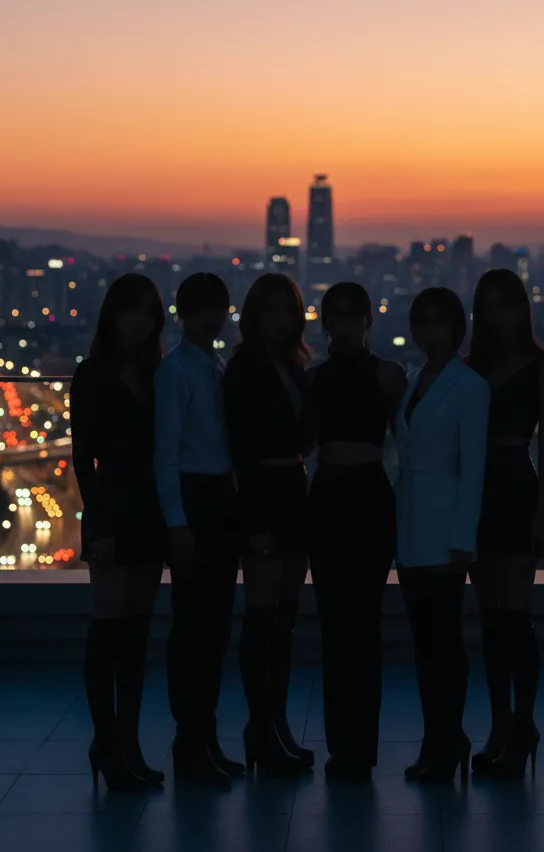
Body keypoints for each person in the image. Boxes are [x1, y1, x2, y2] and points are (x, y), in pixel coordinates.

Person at [70, 272, 167, 791]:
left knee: (135, 636)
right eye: (134, 309)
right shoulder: (93, 375)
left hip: (149, 510)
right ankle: (107, 743)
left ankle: (126, 745)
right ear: (113, 314)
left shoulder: (157, 374)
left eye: (150, 311)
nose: (142, 320)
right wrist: (98, 524)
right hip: (113, 509)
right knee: (108, 633)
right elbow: (83, 458)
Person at [307, 282, 406, 783]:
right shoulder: (321, 378)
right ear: (326, 323)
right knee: (339, 626)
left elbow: (407, 441)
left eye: (351, 316)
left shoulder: (389, 376)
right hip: (335, 498)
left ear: (367, 320)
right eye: (335, 316)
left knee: (361, 626)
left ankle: (358, 746)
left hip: (363, 497)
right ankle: (346, 746)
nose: (343, 325)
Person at [467, 269, 544, 779]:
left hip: (516, 488)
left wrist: (543, 512)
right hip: (480, 492)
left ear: (522, 309)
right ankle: (503, 724)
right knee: (490, 618)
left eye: (506, 305)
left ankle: (520, 723)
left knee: (514, 617)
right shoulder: (471, 368)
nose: (497, 315)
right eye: (489, 306)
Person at [395, 287, 489, 783]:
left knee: (443, 643)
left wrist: (463, 537)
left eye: (440, 323)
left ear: (457, 330)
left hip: (447, 530)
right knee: (424, 643)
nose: (430, 332)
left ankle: (446, 740)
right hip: (411, 526)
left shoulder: (470, 387)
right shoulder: (410, 382)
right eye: (422, 322)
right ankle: (441, 739)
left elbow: (473, 469)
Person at [223, 273, 314, 778]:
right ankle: (261, 729)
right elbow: (240, 448)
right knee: (262, 622)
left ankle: (275, 727)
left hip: (293, 495)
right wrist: (252, 522)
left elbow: (304, 438)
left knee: (283, 621)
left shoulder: (294, 367)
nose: (281, 319)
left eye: (289, 309)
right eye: (272, 310)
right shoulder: (243, 370)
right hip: (262, 496)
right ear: (255, 315)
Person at [155, 272, 244, 787]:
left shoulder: (215, 365)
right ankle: (189, 741)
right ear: (184, 314)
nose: (213, 319)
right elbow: (166, 455)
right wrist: (176, 521)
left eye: (219, 310)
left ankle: (204, 738)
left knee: (212, 627)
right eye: (204, 310)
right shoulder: (177, 372)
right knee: (193, 627)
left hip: (218, 498)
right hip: (194, 498)